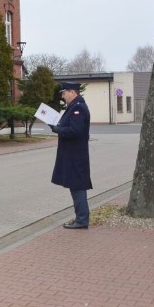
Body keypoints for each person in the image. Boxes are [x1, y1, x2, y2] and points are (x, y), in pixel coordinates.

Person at [50, 82, 93, 229]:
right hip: (72, 154)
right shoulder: (74, 107)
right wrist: (56, 125)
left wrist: (58, 130)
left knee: (77, 186)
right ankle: (80, 218)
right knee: (75, 186)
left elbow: (76, 131)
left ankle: (82, 219)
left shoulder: (78, 108)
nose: (62, 96)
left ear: (72, 92)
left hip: (76, 155)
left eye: (64, 93)